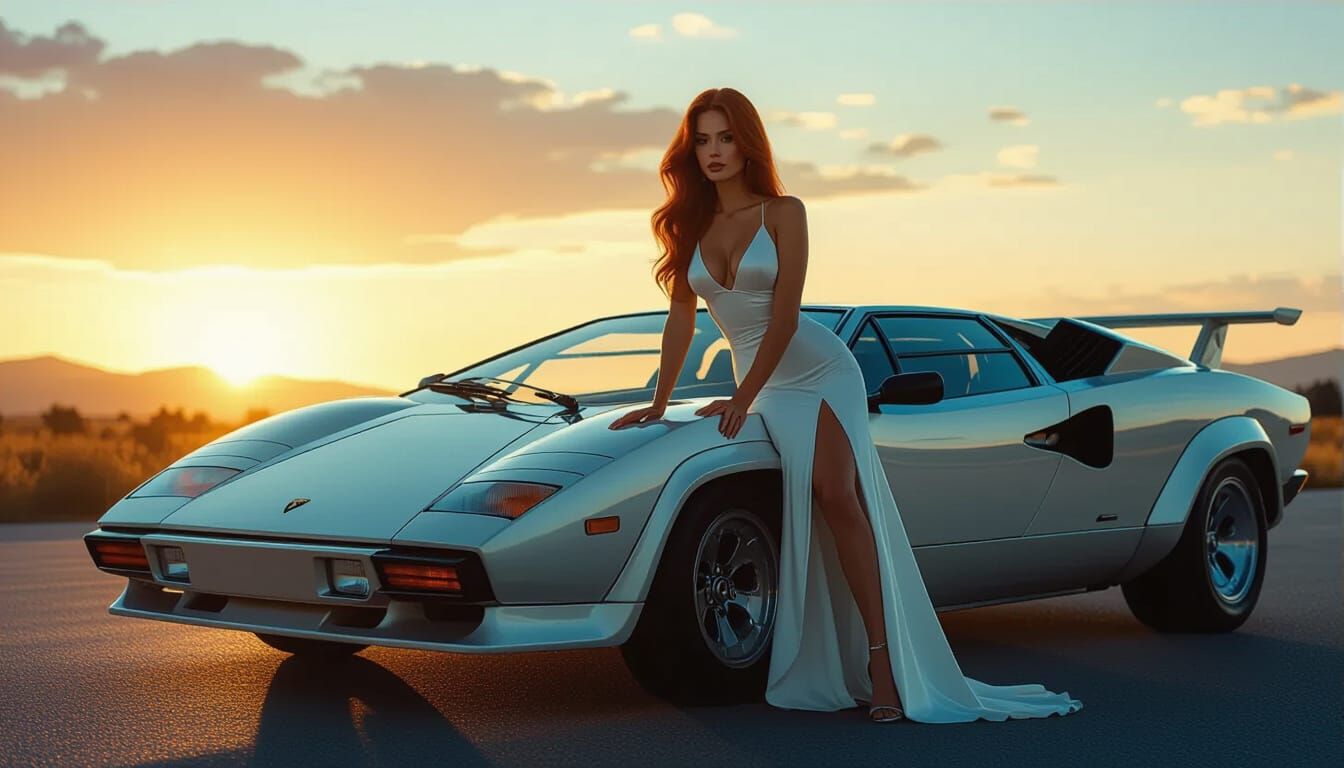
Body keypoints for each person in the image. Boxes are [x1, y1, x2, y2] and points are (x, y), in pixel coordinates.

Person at [610, 87, 1082, 724]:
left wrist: (741, 397)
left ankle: (883, 661)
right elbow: (680, 322)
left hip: (818, 369)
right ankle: (837, 654)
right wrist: (659, 400)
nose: (714, 152)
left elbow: (783, 318)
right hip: (762, 383)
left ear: (747, 143)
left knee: (837, 495)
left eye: (725, 138)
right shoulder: (687, 225)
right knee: (808, 506)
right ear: (689, 149)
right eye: (702, 140)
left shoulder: (784, 211)